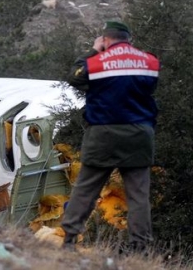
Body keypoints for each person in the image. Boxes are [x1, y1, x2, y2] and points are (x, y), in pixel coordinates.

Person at [60, 21, 160, 253]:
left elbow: (75, 78)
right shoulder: (150, 61)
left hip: (103, 133)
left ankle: (69, 240)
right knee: (138, 195)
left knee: (86, 188)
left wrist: (94, 51)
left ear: (105, 40)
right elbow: (149, 88)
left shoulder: (96, 63)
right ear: (129, 39)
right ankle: (140, 247)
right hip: (139, 134)